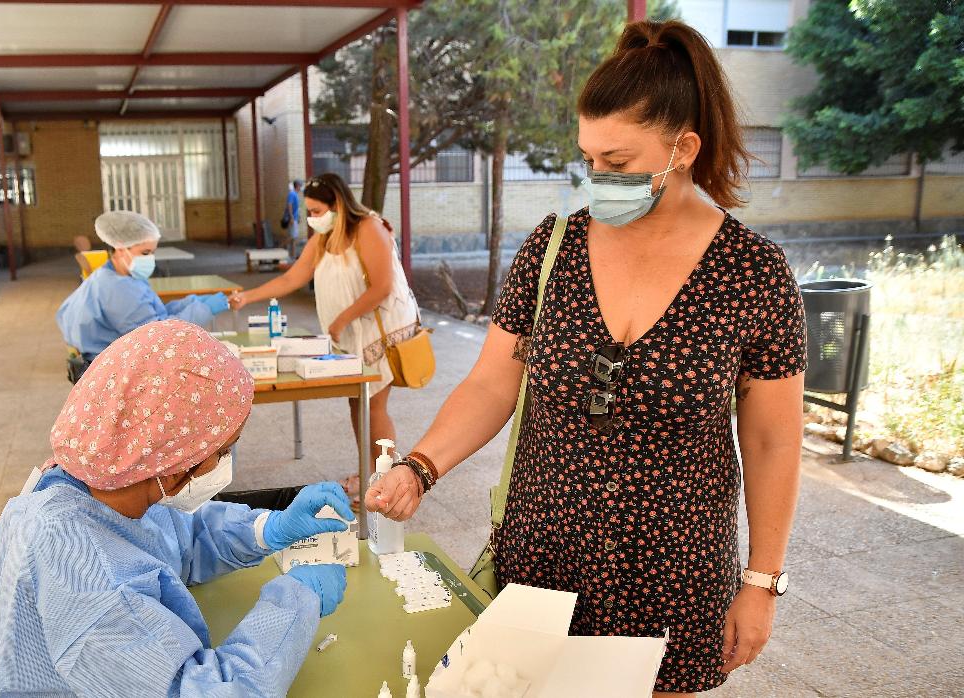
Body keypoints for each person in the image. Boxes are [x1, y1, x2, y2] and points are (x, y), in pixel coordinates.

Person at [366, 21, 806, 697]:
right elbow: (491, 383)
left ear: (683, 149)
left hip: (676, 574)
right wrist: (420, 467)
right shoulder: (553, 250)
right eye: (589, 160)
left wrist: (762, 582)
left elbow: (775, 438)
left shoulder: (753, 272)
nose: (598, 177)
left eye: (619, 162)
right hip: (543, 556)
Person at [0, 320, 353, 697]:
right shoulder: (91, 580)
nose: (227, 461)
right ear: (173, 463)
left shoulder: (111, 479)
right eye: (222, 451)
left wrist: (268, 528)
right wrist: (296, 601)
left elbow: (177, 539)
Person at [230, 173, 419, 501]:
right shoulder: (325, 236)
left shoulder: (369, 228)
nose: (312, 218)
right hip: (348, 336)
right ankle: (370, 470)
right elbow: (293, 278)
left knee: (373, 406)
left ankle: (384, 480)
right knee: (358, 403)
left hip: (378, 332)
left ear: (339, 204)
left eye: (317, 210)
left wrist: (341, 319)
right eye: (309, 212)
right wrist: (248, 296)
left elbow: (382, 286)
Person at [57, 211, 230, 360]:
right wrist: (204, 309)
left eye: (152, 253)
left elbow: (154, 313)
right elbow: (157, 335)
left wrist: (191, 302)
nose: (149, 259)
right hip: (115, 368)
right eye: (145, 253)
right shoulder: (118, 288)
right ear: (121, 248)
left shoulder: (117, 274)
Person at [282, 178, 303, 258]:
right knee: (293, 237)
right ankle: (281, 246)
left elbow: (296, 208)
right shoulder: (292, 194)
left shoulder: (295, 195)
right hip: (292, 218)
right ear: (297, 186)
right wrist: (291, 217)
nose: (301, 187)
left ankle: (292, 255)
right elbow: (289, 205)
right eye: (300, 186)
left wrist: (299, 217)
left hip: (295, 218)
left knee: (294, 237)